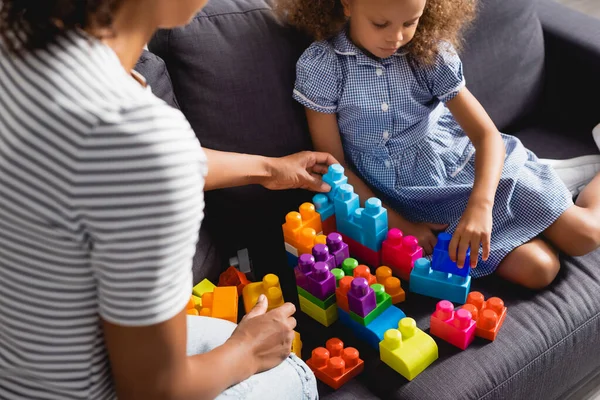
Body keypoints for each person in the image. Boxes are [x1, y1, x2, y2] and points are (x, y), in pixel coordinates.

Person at [0, 1, 334, 399]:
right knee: (292, 373)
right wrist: (247, 351)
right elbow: (155, 390)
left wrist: (269, 169)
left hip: (25, 361)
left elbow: (116, 166)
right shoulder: (144, 141)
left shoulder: (21, 47)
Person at [276, 0, 600, 289]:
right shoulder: (323, 66)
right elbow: (336, 167)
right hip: (408, 197)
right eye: (380, 24)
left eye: (410, 22)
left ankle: (555, 191)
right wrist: (400, 226)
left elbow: (486, 136)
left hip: (466, 167)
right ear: (347, 5)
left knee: (585, 234)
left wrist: (480, 207)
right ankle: (552, 192)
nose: (397, 37)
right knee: (540, 270)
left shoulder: (429, 53)